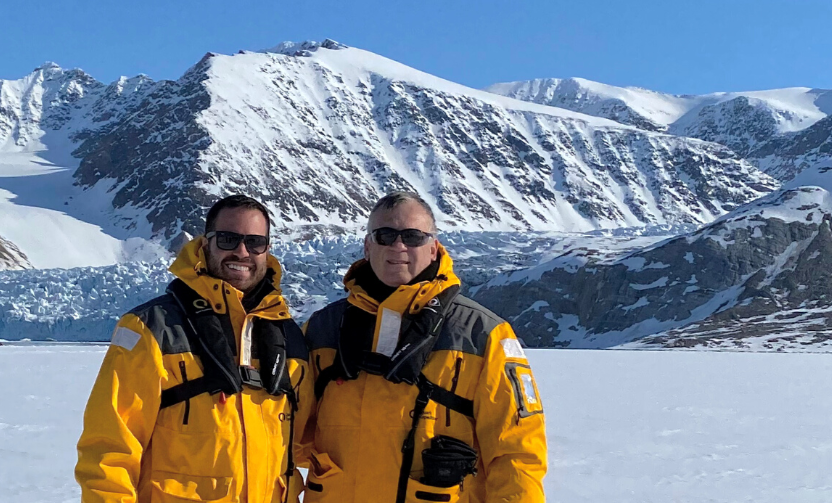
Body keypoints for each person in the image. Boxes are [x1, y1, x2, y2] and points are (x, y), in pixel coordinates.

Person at [298, 191, 547, 503]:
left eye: (413, 236)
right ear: (367, 245)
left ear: (433, 248)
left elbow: (517, 452)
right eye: (385, 235)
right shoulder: (322, 329)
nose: (398, 246)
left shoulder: (483, 335)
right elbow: (285, 435)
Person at [76, 194, 310, 503]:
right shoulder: (150, 329)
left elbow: (308, 444)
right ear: (206, 243)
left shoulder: (288, 338)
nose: (242, 251)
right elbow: (110, 449)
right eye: (228, 239)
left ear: (267, 250)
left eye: (255, 242)